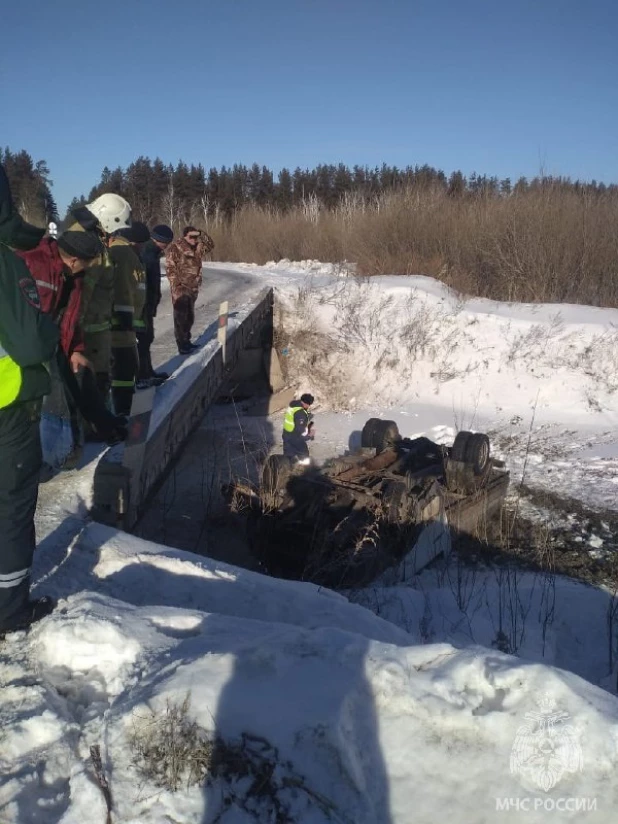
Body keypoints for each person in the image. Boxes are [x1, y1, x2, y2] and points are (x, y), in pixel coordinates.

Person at [0, 163, 59, 634]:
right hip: (8, 407)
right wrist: (47, 323)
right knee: (13, 506)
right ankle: (9, 609)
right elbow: (30, 344)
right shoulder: (5, 262)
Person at [79, 193, 132, 409]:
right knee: (93, 380)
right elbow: (83, 294)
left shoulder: (95, 244)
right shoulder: (91, 249)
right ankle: (95, 428)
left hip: (99, 327)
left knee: (100, 379)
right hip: (90, 331)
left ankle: (100, 421)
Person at [108, 221, 148, 416]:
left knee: (125, 368)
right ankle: (122, 411)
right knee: (123, 370)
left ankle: (122, 408)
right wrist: (126, 320)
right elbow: (123, 290)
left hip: (124, 326)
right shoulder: (123, 254)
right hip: (120, 328)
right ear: (134, 241)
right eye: (142, 243)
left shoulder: (122, 252)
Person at [137, 223, 174, 387]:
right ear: (159, 240)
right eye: (165, 243)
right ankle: (142, 375)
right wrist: (146, 302)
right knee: (143, 340)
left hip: (148, 303)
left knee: (148, 338)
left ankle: (148, 371)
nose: (166, 247)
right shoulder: (147, 253)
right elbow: (143, 282)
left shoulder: (152, 252)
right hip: (143, 304)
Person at [165, 226, 208, 355]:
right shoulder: (175, 248)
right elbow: (170, 268)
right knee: (180, 317)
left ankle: (187, 341)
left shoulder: (197, 247)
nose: (194, 239)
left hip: (193, 287)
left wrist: (201, 232)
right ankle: (182, 344)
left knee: (189, 317)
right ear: (184, 236)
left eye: (196, 237)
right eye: (191, 237)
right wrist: (176, 285)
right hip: (181, 287)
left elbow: (210, 244)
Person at [282, 393, 315, 464]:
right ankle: (305, 471)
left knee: (288, 460)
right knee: (304, 457)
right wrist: (309, 436)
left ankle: (288, 473)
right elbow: (300, 429)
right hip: (296, 438)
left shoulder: (293, 407)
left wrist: (307, 416)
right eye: (309, 404)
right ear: (307, 403)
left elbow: (294, 420)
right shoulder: (300, 413)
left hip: (287, 436)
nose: (309, 406)